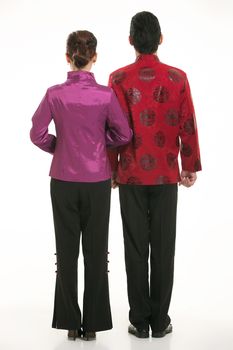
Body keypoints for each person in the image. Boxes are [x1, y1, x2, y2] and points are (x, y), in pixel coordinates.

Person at [30, 30, 132, 341]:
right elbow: (124, 134)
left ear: (67, 57)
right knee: (96, 251)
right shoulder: (105, 95)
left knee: (67, 250)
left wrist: (58, 147)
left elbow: (36, 133)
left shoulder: (54, 94)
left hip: (62, 180)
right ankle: (95, 324)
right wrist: (101, 145)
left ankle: (70, 323)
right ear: (95, 57)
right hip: (97, 180)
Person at [108, 11, 202, 338]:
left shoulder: (118, 79)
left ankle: (139, 320)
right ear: (160, 39)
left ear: (131, 40)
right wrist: (189, 165)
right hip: (165, 175)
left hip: (131, 174)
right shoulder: (178, 78)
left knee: (135, 247)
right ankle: (160, 321)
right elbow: (187, 123)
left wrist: (110, 169)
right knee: (163, 246)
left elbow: (113, 130)